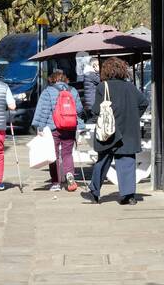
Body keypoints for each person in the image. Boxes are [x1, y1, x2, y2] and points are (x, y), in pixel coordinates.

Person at [87, 57, 148, 205]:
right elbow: (144, 103)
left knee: (102, 161)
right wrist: (133, 116)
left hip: (108, 130)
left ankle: (95, 193)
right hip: (128, 130)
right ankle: (129, 196)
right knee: (127, 162)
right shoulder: (131, 87)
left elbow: (95, 109)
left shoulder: (103, 87)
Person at [32, 70, 83, 192]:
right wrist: (79, 125)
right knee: (67, 153)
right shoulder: (73, 90)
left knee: (53, 155)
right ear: (65, 79)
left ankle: (55, 183)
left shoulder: (48, 91)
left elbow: (44, 111)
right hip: (70, 127)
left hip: (53, 128)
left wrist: (39, 127)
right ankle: (69, 174)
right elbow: (79, 109)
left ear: (52, 79)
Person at [78, 55, 101, 120]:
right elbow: (100, 80)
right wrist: (99, 72)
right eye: (99, 65)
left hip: (90, 100)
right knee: (94, 119)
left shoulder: (89, 73)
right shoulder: (91, 74)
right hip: (92, 101)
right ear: (94, 66)